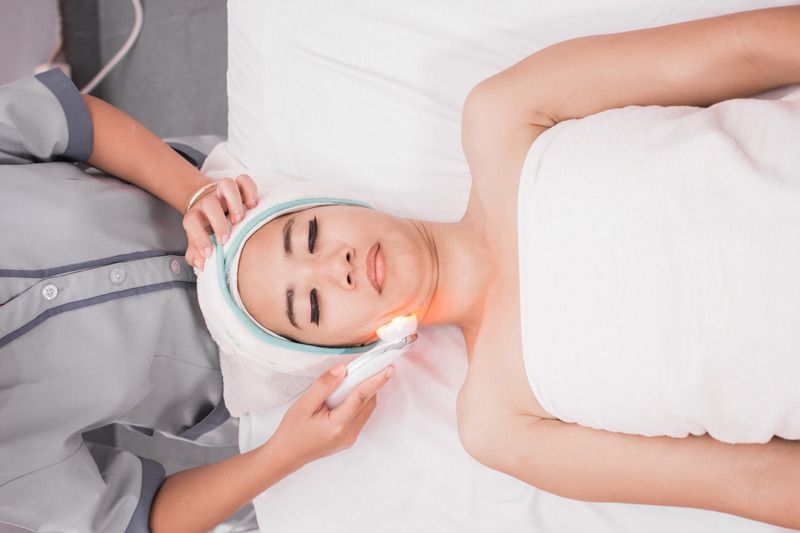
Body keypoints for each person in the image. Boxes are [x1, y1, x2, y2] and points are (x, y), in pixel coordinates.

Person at [211, 6, 800, 529]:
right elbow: (754, 481)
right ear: (347, 352)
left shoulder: (504, 115)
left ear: (329, 202)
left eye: (309, 234)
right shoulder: (498, 424)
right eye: (312, 306)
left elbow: (745, 50)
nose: (333, 267)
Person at [0, 69, 393, 533]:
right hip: (263, 382)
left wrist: (193, 193)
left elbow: (70, 122)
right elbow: (137, 518)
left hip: (261, 202)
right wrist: (284, 453)